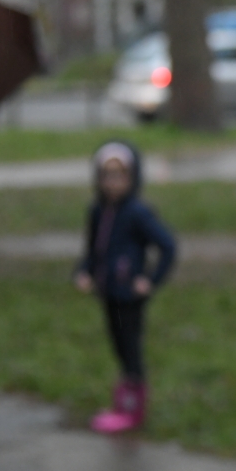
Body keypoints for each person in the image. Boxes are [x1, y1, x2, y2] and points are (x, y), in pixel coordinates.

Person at [73, 141, 176, 435]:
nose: (113, 182)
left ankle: (134, 408)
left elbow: (167, 246)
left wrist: (150, 280)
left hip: (130, 295)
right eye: (107, 175)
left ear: (132, 177)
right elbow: (93, 250)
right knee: (118, 346)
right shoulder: (97, 211)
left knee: (131, 349)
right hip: (108, 293)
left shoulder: (137, 213)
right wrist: (84, 272)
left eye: (120, 175)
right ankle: (122, 403)